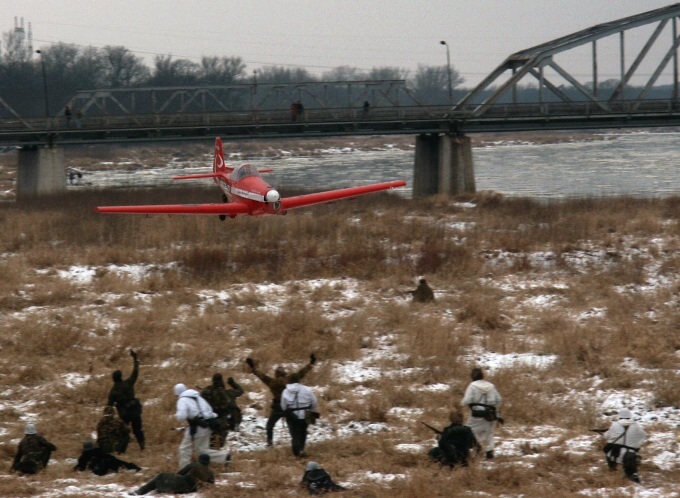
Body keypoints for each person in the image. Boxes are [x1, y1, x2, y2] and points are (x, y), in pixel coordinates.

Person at [246, 353, 316, 446]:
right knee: (292, 426)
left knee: (270, 425)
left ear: (276, 374)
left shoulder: (271, 382)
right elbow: (301, 373)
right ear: (284, 374)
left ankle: (269, 442)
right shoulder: (289, 380)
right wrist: (311, 363)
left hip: (278, 407)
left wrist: (252, 367)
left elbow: (260, 375)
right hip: (290, 406)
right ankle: (296, 443)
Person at [174, 383, 231, 468]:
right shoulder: (198, 397)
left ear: (177, 393)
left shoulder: (182, 400)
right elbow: (210, 411)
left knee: (184, 449)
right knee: (202, 450)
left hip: (196, 428)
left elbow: (181, 417)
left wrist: (177, 416)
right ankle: (224, 456)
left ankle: (184, 470)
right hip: (207, 426)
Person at [107, 349, 145, 450]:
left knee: (124, 432)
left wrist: (109, 419)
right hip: (135, 410)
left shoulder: (113, 391)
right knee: (138, 430)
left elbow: (109, 406)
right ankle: (142, 446)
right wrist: (135, 359)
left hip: (124, 414)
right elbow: (135, 373)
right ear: (121, 376)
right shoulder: (128, 383)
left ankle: (121, 450)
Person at [461, 367, 502, 459]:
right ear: (483, 376)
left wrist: (464, 404)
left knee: (469, 431)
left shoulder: (472, 386)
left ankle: (475, 448)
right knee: (489, 433)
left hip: (477, 414)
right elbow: (499, 400)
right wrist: (492, 406)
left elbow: (466, 401)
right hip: (490, 415)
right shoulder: (491, 386)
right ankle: (489, 453)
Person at [131, 453, 215, 495]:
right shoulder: (211, 473)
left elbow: (180, 473)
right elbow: (210, 485)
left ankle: (139, 492)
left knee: (161, 476)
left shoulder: (194, 464)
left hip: (182, 483)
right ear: (208, 462)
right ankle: (160, 489)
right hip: (190, 490)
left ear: (199, 460)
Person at [602, 407, 647, 483]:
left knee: (607, 449)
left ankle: (612, 468)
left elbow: (606, 436)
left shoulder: (615, 424)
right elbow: (643, 435)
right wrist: (635, 445)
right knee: (630, 469)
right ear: (629, 415)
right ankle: (633, 475)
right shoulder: (636, 425)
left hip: (615, 453)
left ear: (620, 415)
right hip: (630, 454)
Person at [200, 373, 244, 449]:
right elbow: (240, 391)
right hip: (223, 420)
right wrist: (232, 383)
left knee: (208, 440)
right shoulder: (228, 393)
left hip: (209, 419)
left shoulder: (206, 391)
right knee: (219, 442)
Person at [281, 372, 318, 457]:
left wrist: (287, 412)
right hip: (305, 414)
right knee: (303, 432)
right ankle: (300, 450)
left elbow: (283, 406)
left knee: (294, 434)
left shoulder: (285, 391)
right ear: (299, 380)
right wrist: (311, 410)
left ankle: (296, 451)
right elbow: (314, 401)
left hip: (292, 416)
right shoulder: (307, 389)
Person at [73, 441, 141, 476]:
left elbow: (80, 467)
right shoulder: (98, 451)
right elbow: (110, 457)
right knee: (118, 463)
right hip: (106, 465)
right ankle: (133, 468)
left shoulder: (82, 457)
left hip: (98, 470)